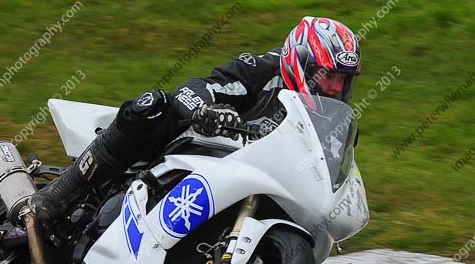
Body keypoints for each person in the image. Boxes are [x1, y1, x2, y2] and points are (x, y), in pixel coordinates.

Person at [29, 16, 362, 225]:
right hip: (192, 150)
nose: (334, 88)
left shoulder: (332, 123)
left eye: (343, 81)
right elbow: (195, 88)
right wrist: (205, 111)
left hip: (247, 182)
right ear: (299, 62)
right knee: (154, 105)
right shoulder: (260, 70)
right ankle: (60, 192)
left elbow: (328, 169)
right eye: (327, 75)